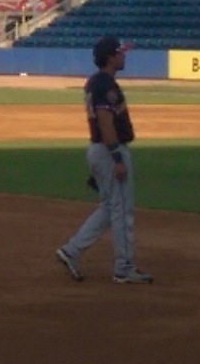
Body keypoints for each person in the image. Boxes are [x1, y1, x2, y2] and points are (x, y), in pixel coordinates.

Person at [56, 35, 152, 285]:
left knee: (110, 207)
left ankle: (72, 250)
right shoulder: (104, 85)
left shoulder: (96, 82)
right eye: (120, 52)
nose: (123, 55)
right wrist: (116, 157)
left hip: (101, 151)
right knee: (122, 210)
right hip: (110, 149)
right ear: (110, 57)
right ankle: (124, 267)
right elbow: (105, 122)